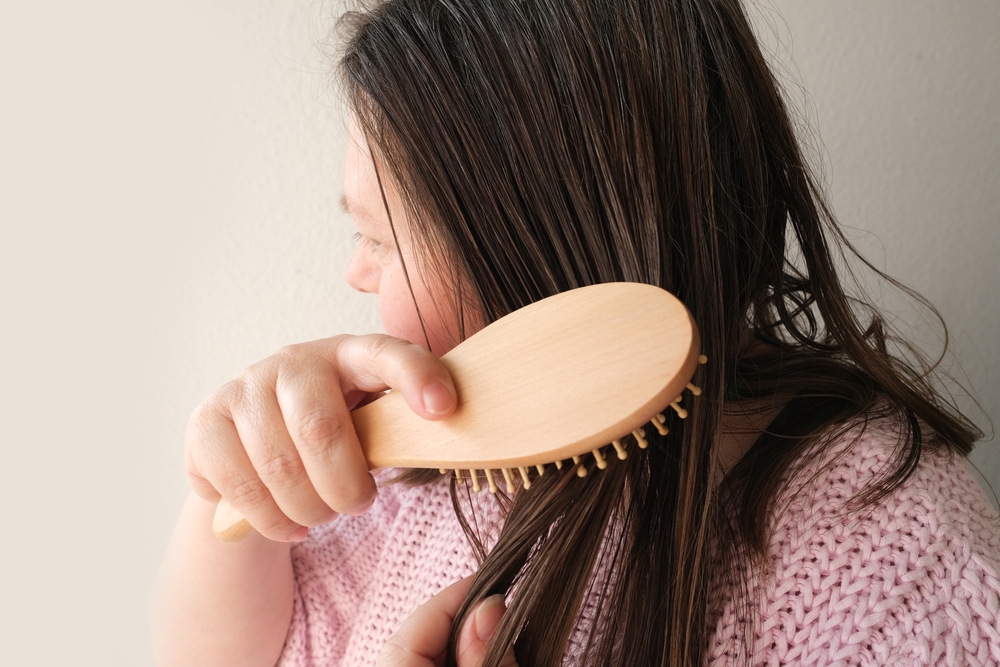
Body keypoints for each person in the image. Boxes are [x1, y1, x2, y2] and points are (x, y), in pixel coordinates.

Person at [152, 0, 1000, 665]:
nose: (356, 275)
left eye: (377, 238)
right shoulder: (411, 472)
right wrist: (235, 491)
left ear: (532, 246)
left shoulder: (897, 567)